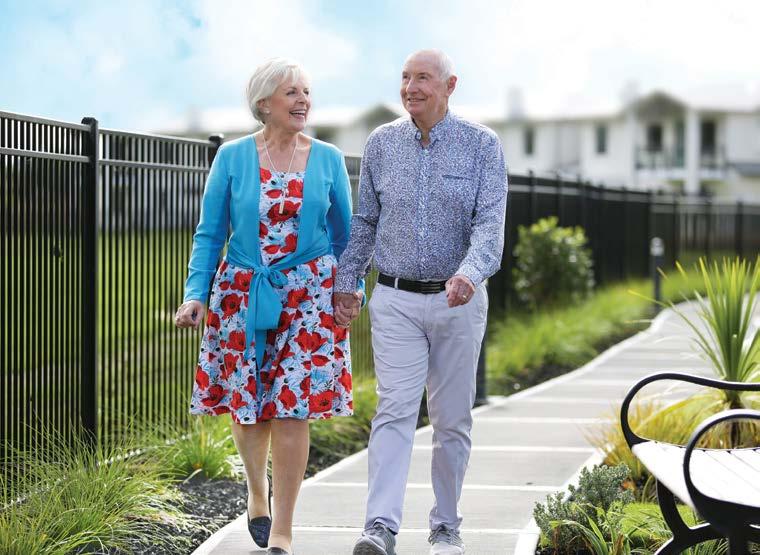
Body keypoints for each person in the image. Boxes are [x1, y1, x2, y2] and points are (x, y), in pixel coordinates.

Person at [174, 58, 361, 555]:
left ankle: (284, 528)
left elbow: (346, 238)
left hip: (310, 298)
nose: (303, 100)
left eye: (307, 91)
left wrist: (351, 290)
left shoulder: (327, 158)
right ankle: (258, 492)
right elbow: (210, 233)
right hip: (242, 292)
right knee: (250, 408)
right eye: (291, 92)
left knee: (293, 408)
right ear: (263, 104)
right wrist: (196, 294)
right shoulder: (233, 157)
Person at [333, 49, 508, 555]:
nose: (411, 87)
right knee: (394, 410)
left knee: (451, 419)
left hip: (458, 302)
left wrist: (469, 273)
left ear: (450, 85)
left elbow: (489, 226)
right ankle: (379, 528)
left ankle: (446, 526)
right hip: (395, 300)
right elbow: (366, 221)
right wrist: (347, 280)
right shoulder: (381, 143)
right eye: (406, 77)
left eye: (423, 78)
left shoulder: (481, 145)